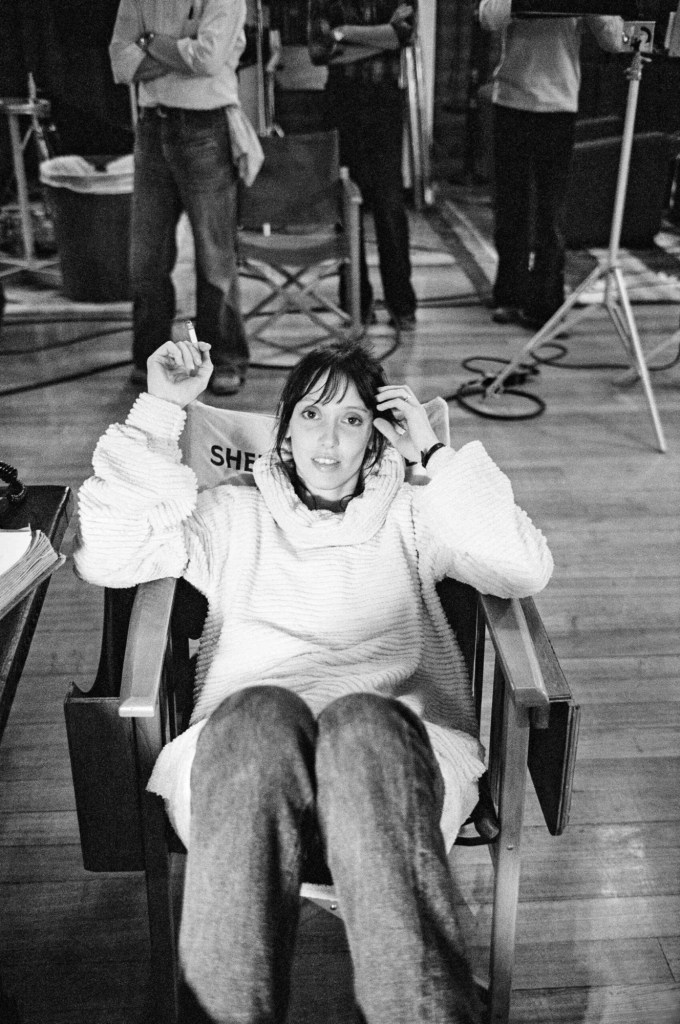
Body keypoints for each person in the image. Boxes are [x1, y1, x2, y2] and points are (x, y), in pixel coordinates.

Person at [74, 337, 553, 1024]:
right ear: (285, 429)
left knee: (364, 722)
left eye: (352, 419)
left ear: (378, 435)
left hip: (400, 752)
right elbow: (108, 554)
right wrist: (159, 410)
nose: (328, 440)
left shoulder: (417, 513)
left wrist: (435, 456)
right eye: (311, 415)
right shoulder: (230, 511)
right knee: (258, 714)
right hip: (244, 761)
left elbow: (522, 568)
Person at [109, 0, 258, 396]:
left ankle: (223, 359)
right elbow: (120, 62)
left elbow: (208, 59)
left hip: (206, 127)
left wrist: (151, 43)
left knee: (214, 258)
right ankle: (150, 359)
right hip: (151, 128)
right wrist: (181, 53)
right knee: (146, 259)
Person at [478, 0, 623, 328]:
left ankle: (546, 303)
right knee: (511, 208)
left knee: (551, 212)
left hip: (558, 105)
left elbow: (614, 40)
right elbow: (487, 17)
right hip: (512, 100)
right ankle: (510, 296)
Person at [308, 0, 419, 331]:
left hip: (384, 99)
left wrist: (344, 33)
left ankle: (401, 304)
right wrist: (382, 39)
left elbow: (405, 34)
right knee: (346, 205)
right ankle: (357, 302)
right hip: (341, 99)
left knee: (390, 204)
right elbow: (319, 51)